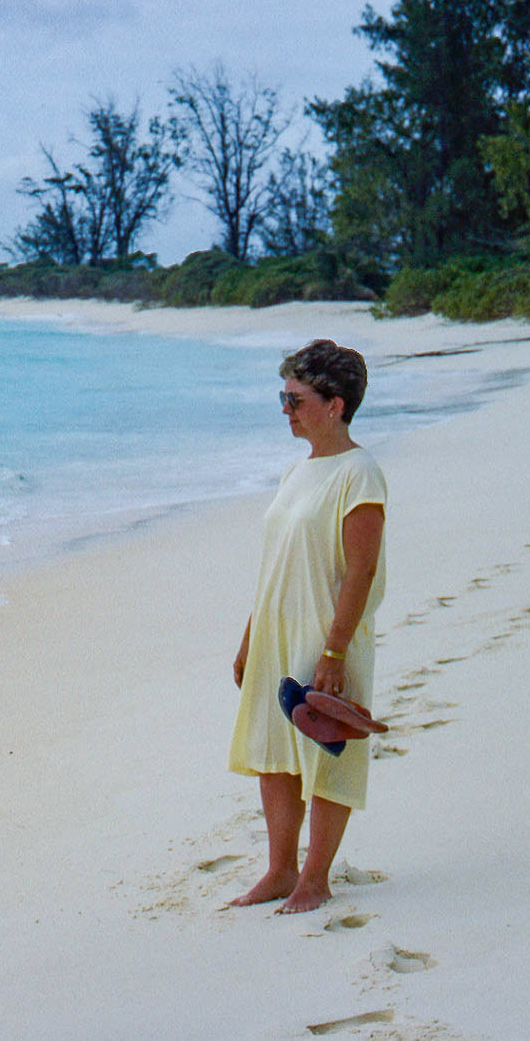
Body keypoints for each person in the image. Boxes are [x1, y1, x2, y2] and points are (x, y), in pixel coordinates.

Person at [226, 339, 387, 914]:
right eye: (284, 397)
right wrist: (250, 639)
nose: (285, 409)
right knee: (273, 751)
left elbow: (361, 569)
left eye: (295, 399)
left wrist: (335, 652)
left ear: (335, 405)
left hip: (326, 632)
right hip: (277, 629)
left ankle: (315, 879)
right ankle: (280, 871)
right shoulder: (296, 471)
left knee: (327, 751)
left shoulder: (360, 473)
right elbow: (277, 561)